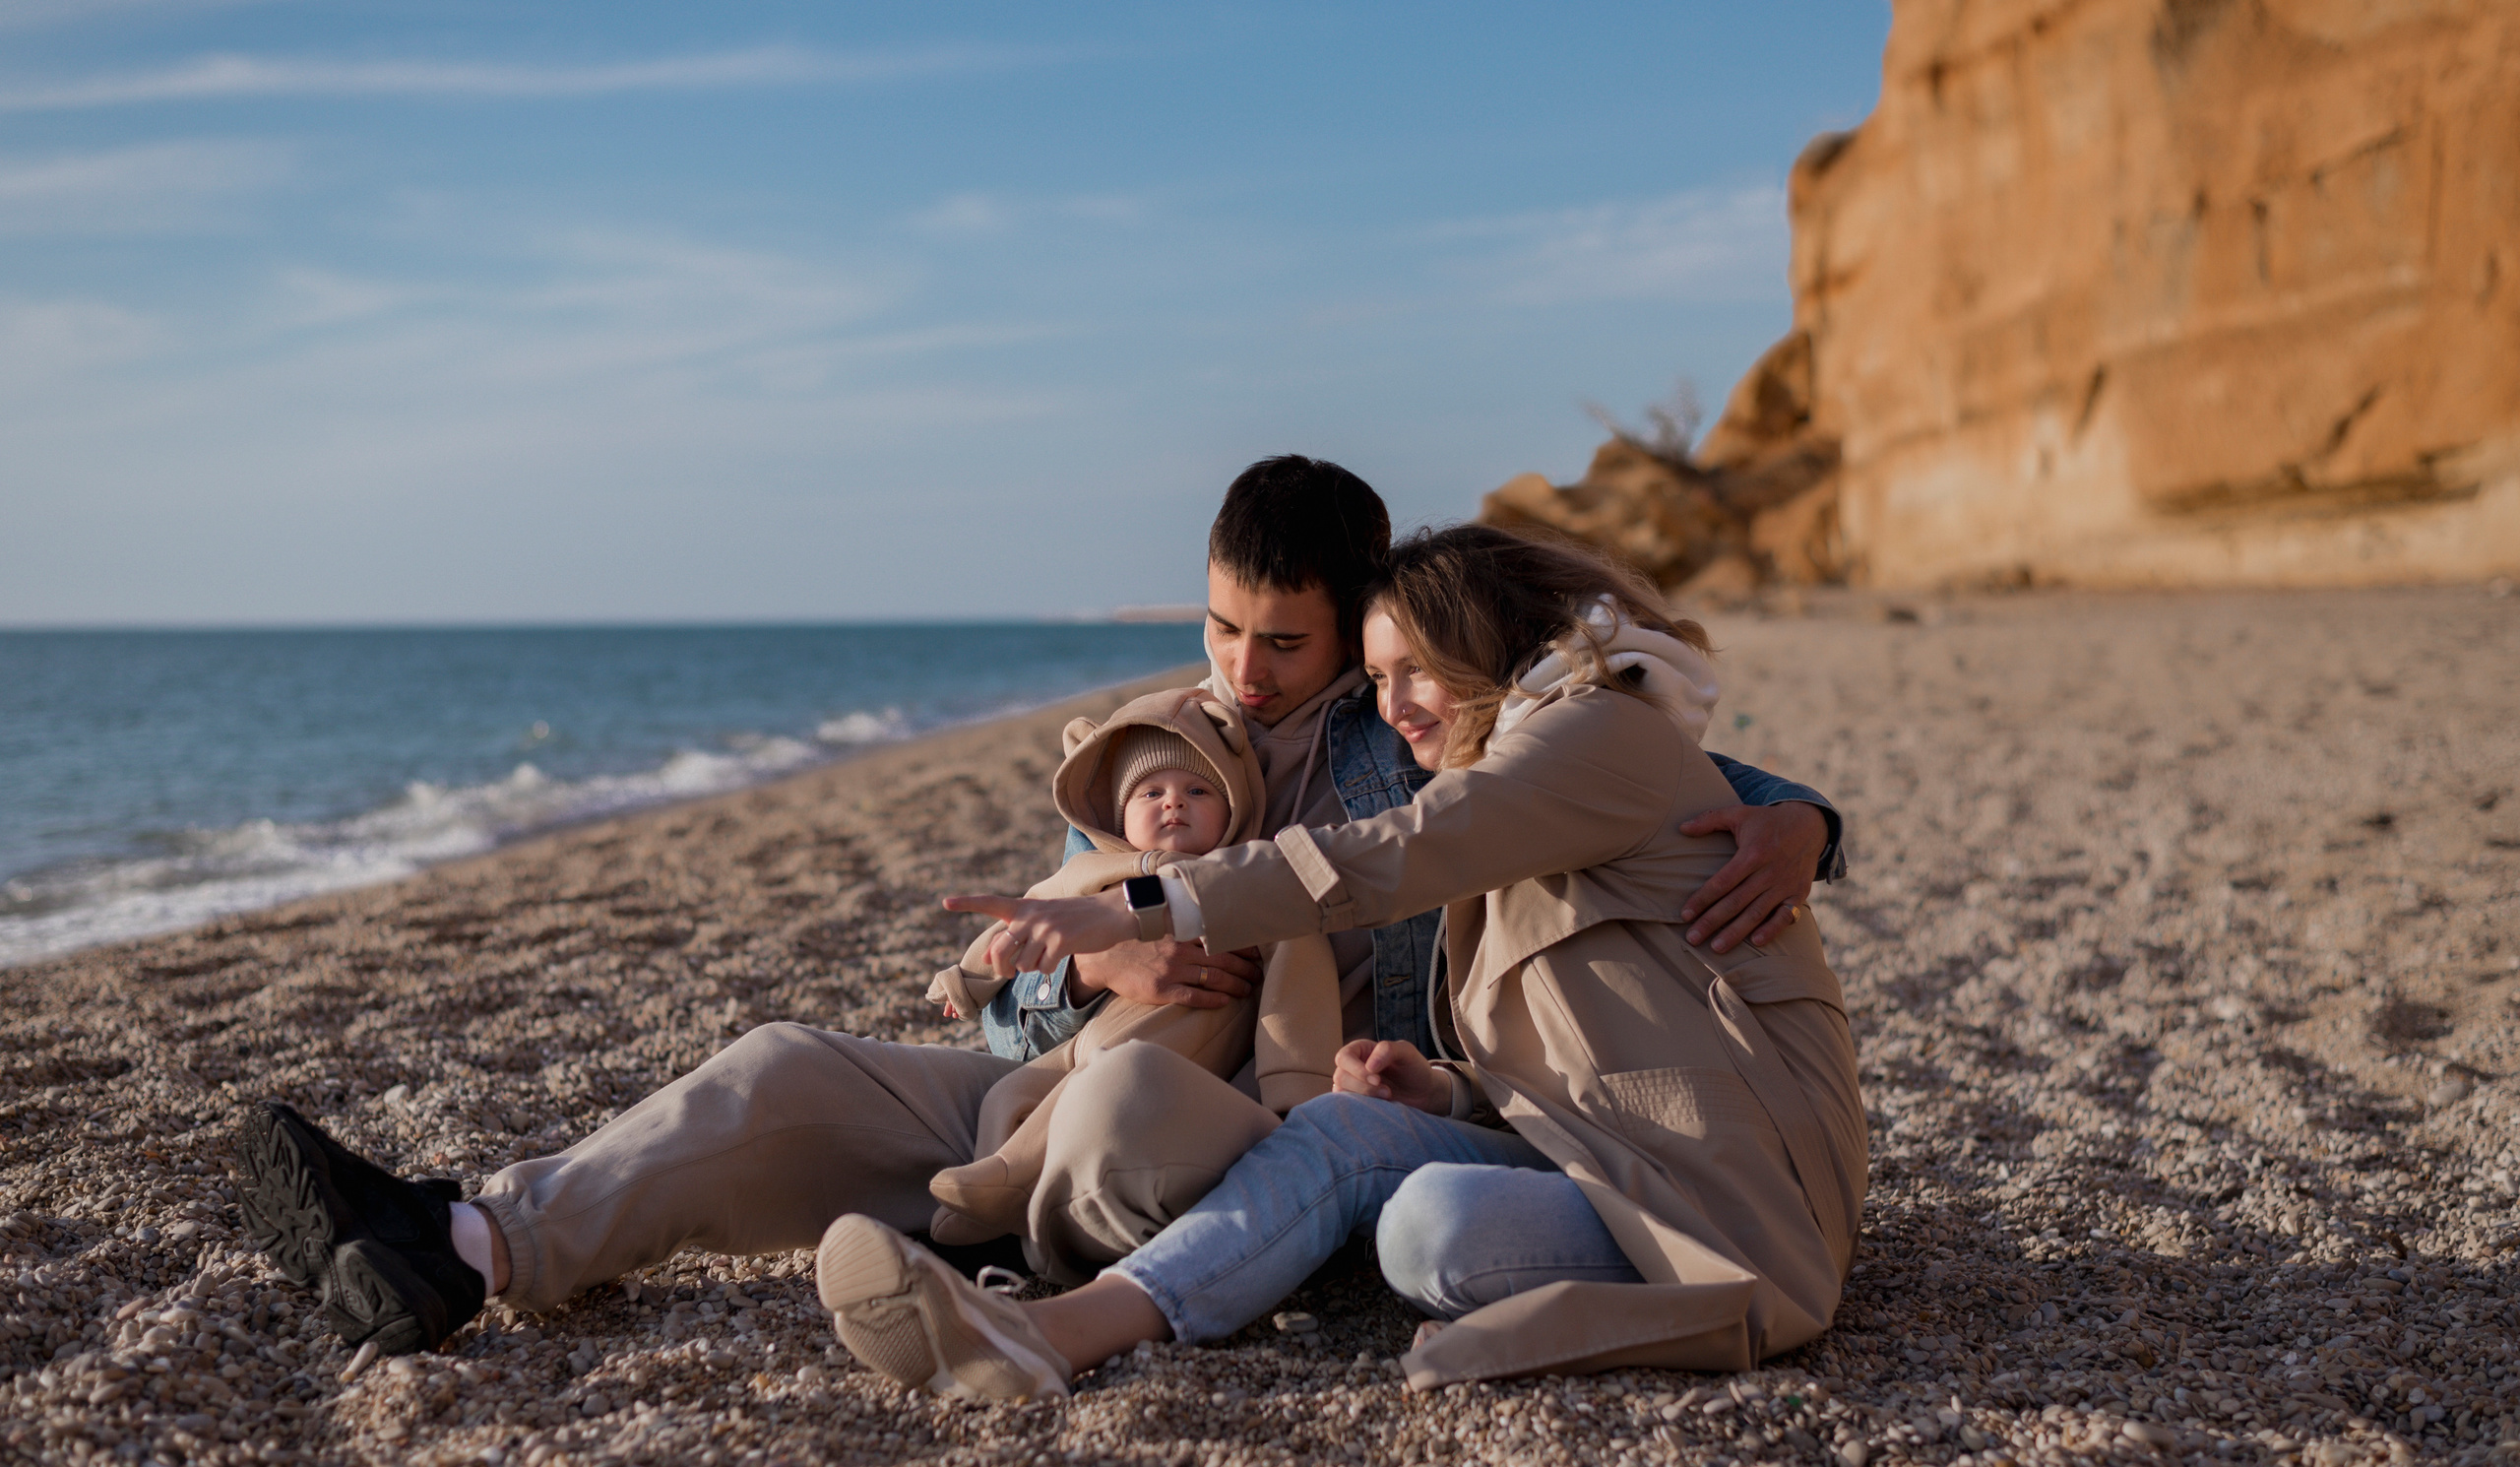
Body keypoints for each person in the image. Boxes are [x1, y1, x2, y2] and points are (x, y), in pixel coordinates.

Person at [232, 459, 1844, 1359]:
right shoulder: (1173, 743)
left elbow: (1668, 781)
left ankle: (999, 1266)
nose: (1244, 669)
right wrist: (1091, 967)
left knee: (1128, 1107)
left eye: (1287, 645)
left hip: (1284, 1115)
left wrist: (1805, 824)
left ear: (1356, 638)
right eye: (1224, 629)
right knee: (792, 1061)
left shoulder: (1432, 739)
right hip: (1090, 1062)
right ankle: (466, 1235)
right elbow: (1020, 988)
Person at [815, 525, 1865, 1400]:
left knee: (1426, 1229)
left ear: (1488, 645)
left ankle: (1047, 1330)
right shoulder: (1524, 773)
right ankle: (1048, 1334)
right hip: (1614, 1146)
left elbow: (1392, 855)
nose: (1396, 701)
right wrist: (1449, 1090)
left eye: (1416, 668)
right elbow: (1588, 1031)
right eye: (1374, 677)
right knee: (1359, 1147)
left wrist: (1138, 905)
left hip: (1732, 1190)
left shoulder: (1593, 735)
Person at [922, 685, 1338, 1248]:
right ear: (1121, 812)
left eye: (1197, 790)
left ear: (1233, 807)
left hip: (1178, 1028)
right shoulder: (1093, 870)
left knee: (1098, 1091)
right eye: (1151, 792)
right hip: (1094, 1024)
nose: (1174, 803)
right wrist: (969, 981)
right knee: (1008, 1096)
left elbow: (1300, 961)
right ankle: (974, 1204)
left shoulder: (1243, 878)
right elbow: (1024, 917)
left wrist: (1297, 1084)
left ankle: (1007, 1179)